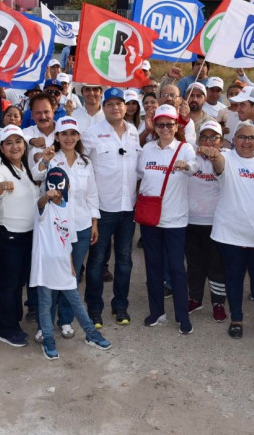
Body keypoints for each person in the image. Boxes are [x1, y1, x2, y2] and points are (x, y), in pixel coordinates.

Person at [210, 121, 254, 339]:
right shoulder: (226, 157)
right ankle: (237, 319)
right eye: (242, 137)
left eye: (252, 138)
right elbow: (218, 164)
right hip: (231, 233)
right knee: (234, 277)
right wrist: (213, 155)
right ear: (234, 140)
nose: (246, 142)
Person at [31, 166, 112, 360]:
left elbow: (67, 241)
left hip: (64, 267)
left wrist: (72, 265)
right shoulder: (43, 208)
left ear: (67, 186)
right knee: (45, 304)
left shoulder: (68, 210)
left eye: (60, 185)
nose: (57, 189)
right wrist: (46, 196)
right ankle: (49, 339)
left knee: (76, 301)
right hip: (44, 267)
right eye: (52, 184)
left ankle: (91, 334)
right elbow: (40, 204)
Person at [33, 117, 100, 340]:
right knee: (51, 277)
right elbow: (36, 175)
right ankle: (45, 324)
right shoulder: (52, 159)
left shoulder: (85, 162)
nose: (69, 138)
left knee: (71, 275)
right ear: (57, 137)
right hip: (54, 229)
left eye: (73, 133)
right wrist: (45, 160)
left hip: (80, 226)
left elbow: (91, 194)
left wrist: (94, 222)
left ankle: (65, 321)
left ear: (78, 136)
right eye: (64, 134)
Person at [81, 88, 141, 328]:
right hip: (103, 209)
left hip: (128, 210)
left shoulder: (134, 132)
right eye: (111, 104)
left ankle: (120, 306)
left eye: (120, 103)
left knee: (125, 261)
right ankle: (94, 309)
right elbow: (82, 168)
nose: (116, 107)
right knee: (96, 261)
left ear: (126, 107)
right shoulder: (91, 134)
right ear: (103, 108)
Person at [136, 104, 198, 333]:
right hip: (151, 220)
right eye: (160, 124)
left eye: (169, 124)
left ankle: (182, 317)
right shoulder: (147, 149)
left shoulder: (185, 148)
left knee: (176, 268)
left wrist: (187, 166)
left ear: (176, 126)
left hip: (175, 220)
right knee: (152, 267)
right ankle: (157, 312)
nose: (164, 129)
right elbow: (140, 174)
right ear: (155, 126)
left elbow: (195, 166)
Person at [0, 125, 38, 347]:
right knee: (9, 284)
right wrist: (0, 187)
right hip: (9, 236)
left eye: (18, 141)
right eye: (9, 143)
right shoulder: (1, 169)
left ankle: (14, 319)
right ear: (1, 147)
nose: (14, 146)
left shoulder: (26, 168)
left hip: (28, 235)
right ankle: (6, 329)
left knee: (19, 282)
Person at [184, 121, 227, 322]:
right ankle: (195, 298)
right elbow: (188, 167)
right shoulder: (191, 157)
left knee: (216, 265)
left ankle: (218, 302)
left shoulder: (225, 158)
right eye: (205, 137)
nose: (209, 141)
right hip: (191, 221)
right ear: (199, 140)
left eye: (213, 137)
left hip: (216, 222)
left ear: (220, 140)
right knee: (194, 264)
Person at [23, 93, 58, 164]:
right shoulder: (27, 131)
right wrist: (33, 141)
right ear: (32, 115)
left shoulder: (63, 131)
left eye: (46, 112)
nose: (43, 117)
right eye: (38, 113)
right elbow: (24, 138)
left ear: (53, 111)